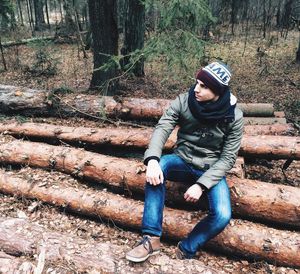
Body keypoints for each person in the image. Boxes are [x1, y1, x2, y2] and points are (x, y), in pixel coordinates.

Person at [126, 61, 244, 262]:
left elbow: (227, 158)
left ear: (217, 91)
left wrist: (201, 185)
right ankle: (151, 238)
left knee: (223, 215)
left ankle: (188, 247)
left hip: (210, 169)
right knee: (160, 166)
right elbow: (163, 127)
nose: (196, 89)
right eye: (197, 83)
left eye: (204, 86)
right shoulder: (184, 101)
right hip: (181, 160)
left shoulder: (234, 116)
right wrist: (153, 160)